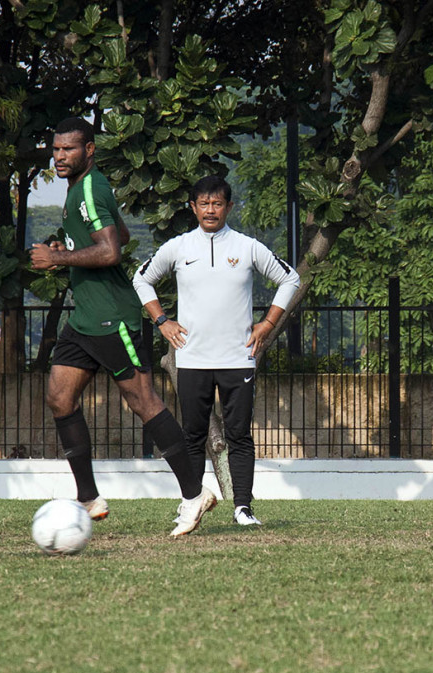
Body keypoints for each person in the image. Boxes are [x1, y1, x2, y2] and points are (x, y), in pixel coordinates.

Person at [29, 118, 216, 537]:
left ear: (89, 150)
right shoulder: (82, 190)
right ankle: (88, 497)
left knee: (143, 401)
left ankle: (194, 493)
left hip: (114, 318)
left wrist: (57, 259)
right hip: (85, 319)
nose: (60, 157)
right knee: (59, 397)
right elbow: (122, 234)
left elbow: (112, 251)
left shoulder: (90, 188)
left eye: (69, 149)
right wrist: (73, 249)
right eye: (56, 149)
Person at [133, 176, 300, 526]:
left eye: (218, 203)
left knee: (238, 435)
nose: (211, 210)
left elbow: (290, 279)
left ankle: (243, 508)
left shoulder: (248, 246)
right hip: (192, 358)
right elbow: (141, 278)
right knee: (192, 435)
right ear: (193, 207)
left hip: (238, 357)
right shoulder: (178, 247)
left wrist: (267, 324)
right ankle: (191, 505)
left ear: (229, 207)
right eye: (204, 203)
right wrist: (162, 320)